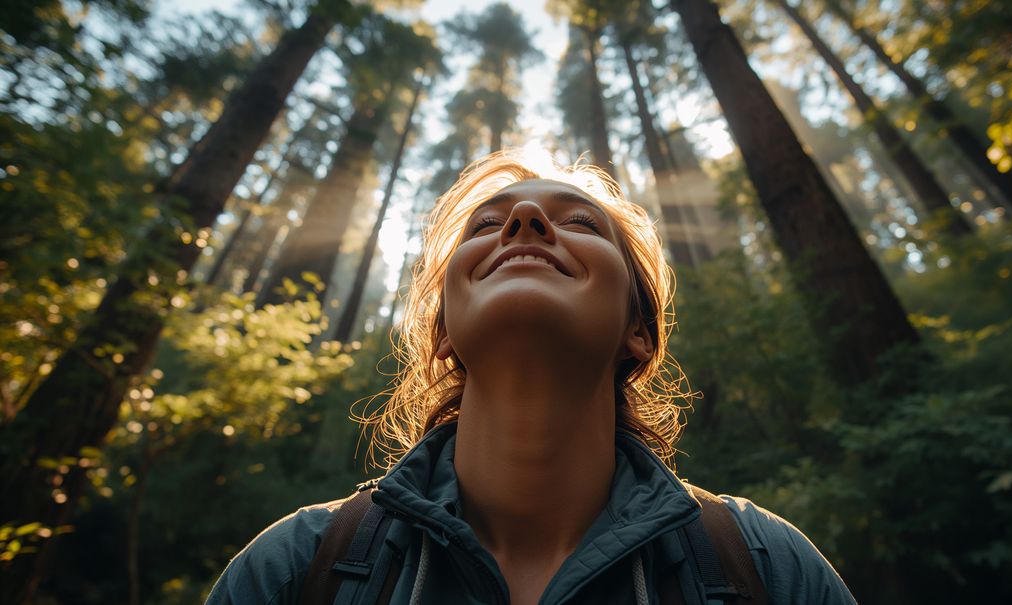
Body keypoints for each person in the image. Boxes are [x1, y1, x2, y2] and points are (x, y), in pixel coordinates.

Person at [205, 150, 857, 604]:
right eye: (487, 224)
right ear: (443, 330)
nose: (524, 223)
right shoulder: (295, 565)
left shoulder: (766, 566)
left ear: (639, 328)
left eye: (579, 222)